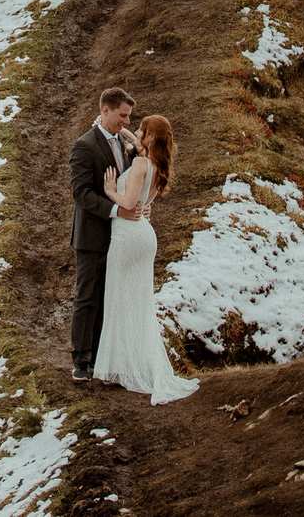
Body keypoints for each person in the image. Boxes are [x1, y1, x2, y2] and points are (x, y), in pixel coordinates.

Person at [92, 113, 199, 403]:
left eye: (141, 130)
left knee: (118, 297)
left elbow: (128, 203)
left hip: (128, 235)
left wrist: (111, 192)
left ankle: (118, 366)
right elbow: (138, 148)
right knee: (138, 301)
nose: (135, 132)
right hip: (144, 236)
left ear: (150, 138)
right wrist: (118, 130)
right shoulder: (154, 164)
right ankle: (132, 363)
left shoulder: (140, 164)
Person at [69, 88, 141, 382]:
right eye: (122, 115)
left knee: (108, 297)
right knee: (88, 297)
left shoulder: (125, 142)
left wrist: (134, 142)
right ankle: (82, 361)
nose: (126, 122)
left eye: (129, 117)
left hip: (118, 236)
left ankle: (102, 355)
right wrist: (116, 211)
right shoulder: (84, 145)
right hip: (92, 236)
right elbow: (81, 193)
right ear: (106, 111)